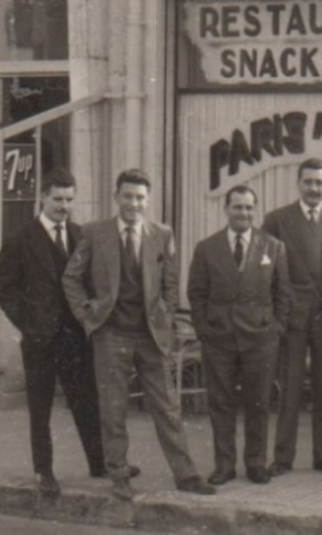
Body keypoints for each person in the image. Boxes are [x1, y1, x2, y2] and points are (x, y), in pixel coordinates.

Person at [63, 169, 211, 498]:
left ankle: (186, 475)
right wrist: (86, 314)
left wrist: (167, 313)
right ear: (116, 197)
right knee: (113, 408)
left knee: (167, 407)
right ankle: (119, 476)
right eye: (128, 196)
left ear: (149, 200)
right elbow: (71, 278)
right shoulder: (94, 233)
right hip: (111, 333)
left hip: (150, 335)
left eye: (140, 198)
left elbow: (170, 283)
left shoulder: (161, 234)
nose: (134, 203)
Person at [0, 169, 109, 499]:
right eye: (57, 199)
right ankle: (44, 471)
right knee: (40, 407)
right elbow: (1, 287)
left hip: (74, 337)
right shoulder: (21, 238)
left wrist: (87, 318)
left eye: (70, 200)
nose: (64, 206)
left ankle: (98, 462)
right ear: (43, 197)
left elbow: (89, 281)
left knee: (86, 401)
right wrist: (29, 324)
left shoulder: (79, 234)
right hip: (40, 339)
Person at [188, 185, 291, 486]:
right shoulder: (207, 248)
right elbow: (196, 293)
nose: (243, 213)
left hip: (260, 338)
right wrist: (205, 330)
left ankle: (256, 463)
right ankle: (225, 465)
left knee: (258, 402)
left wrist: (276, 329)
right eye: (237, 207)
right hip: (219, 338)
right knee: (221, 403)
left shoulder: (273, 247)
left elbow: (283, 293)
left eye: (248, 208)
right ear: (226, 209)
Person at [261, 158, 322, 478]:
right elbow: (267, 272)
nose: (314, 188)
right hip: (293, 317)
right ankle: (283, 458)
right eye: (308, 182)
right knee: (289, 387)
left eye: (320, 182)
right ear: (298, 184)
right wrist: (277, 313)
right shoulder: (276, 220)